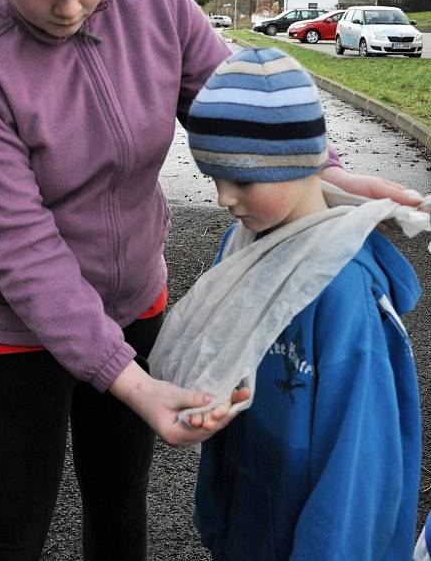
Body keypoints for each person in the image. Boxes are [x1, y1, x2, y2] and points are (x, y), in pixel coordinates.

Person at [0, 0, 422, 561]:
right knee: (10, 534)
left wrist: (330, 173)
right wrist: (132, 383)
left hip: (132, 305)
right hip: (12, 331)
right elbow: (22, 251)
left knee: (120, 515)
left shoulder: (158, 5)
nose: (69, 7)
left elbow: (245, 116)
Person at [180, 47, 421, 559]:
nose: (224, 198)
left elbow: (357, 464)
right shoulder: (243, 243)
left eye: (241, 179)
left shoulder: (343, 291)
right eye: (214, 178)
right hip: (252, 518)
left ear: (301, 163)